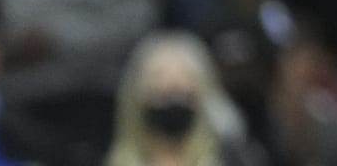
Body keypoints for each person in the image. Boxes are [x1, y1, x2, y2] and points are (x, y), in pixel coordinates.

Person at [104, 31, 259, 166]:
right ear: (139, 94)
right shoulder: (120, 161)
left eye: (182, 89)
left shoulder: (232, 159)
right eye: (159, 79)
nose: (172, 90)